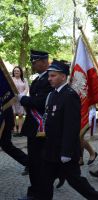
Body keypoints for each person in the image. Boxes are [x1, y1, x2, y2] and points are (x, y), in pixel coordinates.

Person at [38, 60, 98, 200]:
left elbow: (71, 126)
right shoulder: (53, 94)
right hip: (51, 148)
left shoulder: (70, 95)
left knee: (75, 180)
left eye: (53, 75)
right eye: (49, 76)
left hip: (64, 150)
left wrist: (66, 152)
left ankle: (97, 197)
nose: (49, 78)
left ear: (63, 77)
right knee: (44, 179)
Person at [18, 50, 54, 200]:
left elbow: (41, 102)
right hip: (33, 128)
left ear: (45, 62)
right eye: (32, 62)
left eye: (35, 62)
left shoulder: (50, 79)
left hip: (43, 128)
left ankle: (41, 194)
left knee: (41, 164)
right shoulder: (38, 79)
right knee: (33, 163)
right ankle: (34, 192)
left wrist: (23, 99)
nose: (33, 64)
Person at [0, 103, 28, 174]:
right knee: (6, 146)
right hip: (5, 117)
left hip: (4, 119)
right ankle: (29, 162)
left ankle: (29, 163)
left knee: (6, 145)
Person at [12, 66, 29, 135]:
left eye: (18, 71)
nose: (16, 72)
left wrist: (22, 95)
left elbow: (27, 88)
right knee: (13, 114)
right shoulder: (11, 79)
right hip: (13, 99)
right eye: (15, 71)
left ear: (20, 72)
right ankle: (14, 129)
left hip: (21, 99)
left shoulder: (24, 79)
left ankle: (20, 130)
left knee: (20, 114)